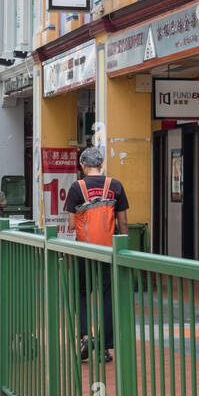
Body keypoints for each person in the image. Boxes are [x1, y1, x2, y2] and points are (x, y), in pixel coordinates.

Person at [63, 147, 129, 361]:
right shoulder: (115, 186)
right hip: (109, 250)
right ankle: (104, 347)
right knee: (108, 297)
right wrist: (123, 248)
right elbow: (123, 222)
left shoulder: (77, 187)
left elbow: (72, 224)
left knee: (82, 293)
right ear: (101, 165)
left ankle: (84, 337)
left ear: (83, 166)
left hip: (84, 250)